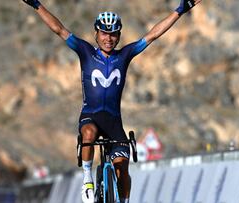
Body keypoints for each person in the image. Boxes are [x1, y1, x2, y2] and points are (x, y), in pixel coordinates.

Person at [22, 0, 201, 202]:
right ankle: (88, 180)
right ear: (96, 34)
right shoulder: (86, 52)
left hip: (114, 122)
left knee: (122, 168)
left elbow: (153, 34)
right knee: (88, 134)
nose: (109, 38)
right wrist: (36, 4)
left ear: (119, 36)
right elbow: (59, 29)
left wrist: (180, 10)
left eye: (114, 33)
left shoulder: (124, 55)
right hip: (91, 116)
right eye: (105, 33)